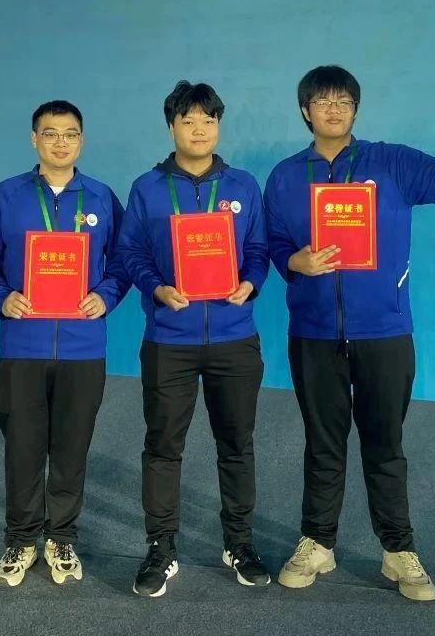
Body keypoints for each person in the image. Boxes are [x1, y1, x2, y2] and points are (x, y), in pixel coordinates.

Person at [263, 64, 435, 600]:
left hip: (385, 331)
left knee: (385, 444)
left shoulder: (392, 162)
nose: (334, 109)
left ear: (356, 109)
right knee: (323, 444)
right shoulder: (285, 177)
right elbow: (273, 243)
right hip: (313, 332)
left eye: (344, 101)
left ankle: (398, 550)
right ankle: (318, 541)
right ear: (305, 110)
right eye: (322, 101)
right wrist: (294, 262)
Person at [116, 80, 272, 597]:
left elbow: (258, 249)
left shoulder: (243, 186)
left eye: (208, 120)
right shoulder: (147, 188)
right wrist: (156, 288)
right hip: (169, 339)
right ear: (172, 127)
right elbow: (131, 252)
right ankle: (161, 547)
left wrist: (251, 282)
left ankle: (240, 543)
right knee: (163, 447)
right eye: (188, 121)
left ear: (218, 126)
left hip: (234, 337)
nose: (199, 129)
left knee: (237, 445)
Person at [0, 100, 131, 587]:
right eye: (50, 133)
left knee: (71, 447)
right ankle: (20, 539)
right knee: (22, 447)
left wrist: (106, 296)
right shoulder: (6, 196)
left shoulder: (102, 198)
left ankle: (61, 537)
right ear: (34, 139)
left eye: (70, 134)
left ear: (81, 140)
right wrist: (1, 297)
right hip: (22, 344)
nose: (60, 142)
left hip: (83, 347)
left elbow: (124, 260)